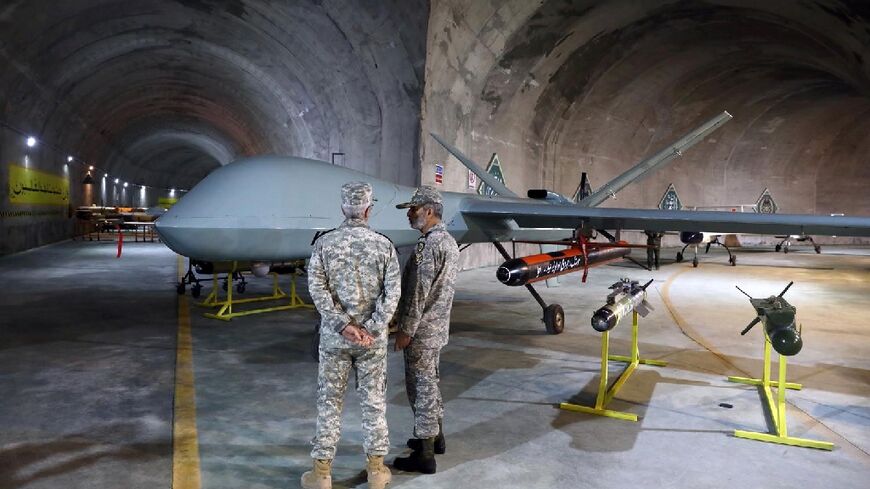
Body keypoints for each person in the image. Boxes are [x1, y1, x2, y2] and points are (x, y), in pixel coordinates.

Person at [302, 182, 401, 489]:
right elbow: (392, 292)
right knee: (373, 402)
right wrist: (371, 327)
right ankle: (375, 471)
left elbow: (317, 288)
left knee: (329, 402)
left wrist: (342, 325)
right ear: (369, 209)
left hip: (335, 340)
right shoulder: (384, 245)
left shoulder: (324, 244)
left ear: (343, 208)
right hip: (372, 342)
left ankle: (321, 474)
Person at [392, 186, 460, 474]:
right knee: (430, 384)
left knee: (420, 389)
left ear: (429, 211)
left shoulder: (429, 245)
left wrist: (405, 328)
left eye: (413, 209)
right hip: (436, 328)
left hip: (421, 330)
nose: (409, 214)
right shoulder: (448, 242)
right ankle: (436, 439)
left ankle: (425, 454)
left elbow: (419, 291)